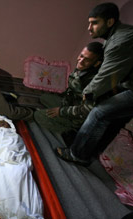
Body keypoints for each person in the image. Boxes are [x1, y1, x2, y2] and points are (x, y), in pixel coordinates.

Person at [56, 2, 133, 166]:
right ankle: (92, 150)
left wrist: (88, 93)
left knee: (99, 113)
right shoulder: (115, 37)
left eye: (94, 23)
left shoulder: (120, 41)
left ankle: (77, 154)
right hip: (128, 84)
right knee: (115, 118)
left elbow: (107, 75)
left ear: (110, 22)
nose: (89, 28)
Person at [34, 42, 103, 138]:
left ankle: (70, 131)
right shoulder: (82, 69)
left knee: (38, 115)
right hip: (69, 104)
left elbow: (86, 110)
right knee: (44, 98)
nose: (81, 61)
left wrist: (61, 111)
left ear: (96, 63)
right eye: (81, 56)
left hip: (77, 117)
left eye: (87, 60)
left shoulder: (94, 83)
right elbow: (72, 89)